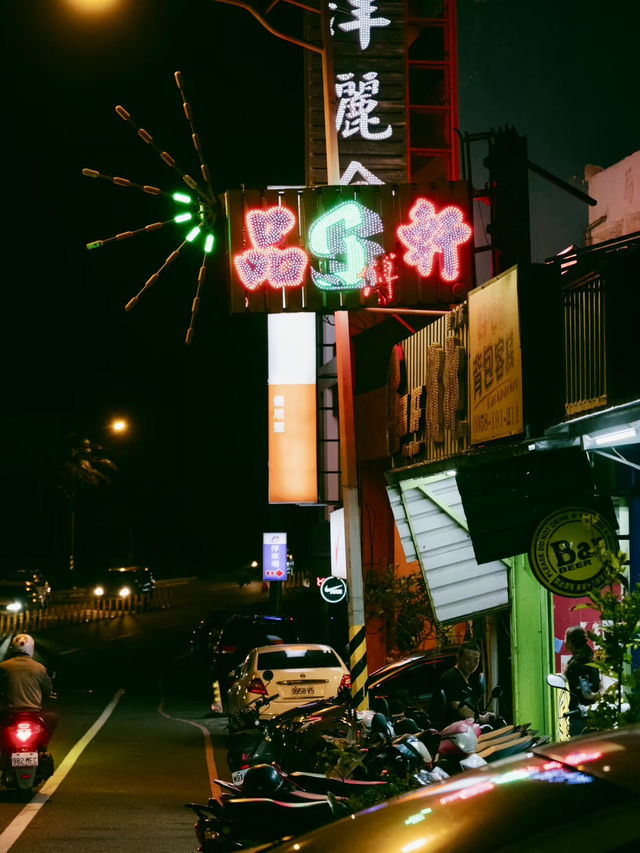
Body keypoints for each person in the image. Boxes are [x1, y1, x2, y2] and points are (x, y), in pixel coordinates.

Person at [0, 634, 57, 736]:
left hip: (9, 714)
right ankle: (43, 747)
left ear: (12, 648)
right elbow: (48, 689)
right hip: (33, 714)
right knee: (53, 717)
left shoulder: (3, 667)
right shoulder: (39, 668)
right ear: (32, 649)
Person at [433, 641, 496, 729]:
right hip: (452, 732)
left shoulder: (465, 678)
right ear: (458, 657)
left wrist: (482, 715)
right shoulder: (451, 678)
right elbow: (458, 706)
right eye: (468, 659)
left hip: (464, 729)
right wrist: (480, 718)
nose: (472, 664)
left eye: (476, 660)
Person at [564, 625, 601, 736]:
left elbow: (586, 693)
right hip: (593, 714)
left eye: (566, 638)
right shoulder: (590, 660)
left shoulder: (576, 665)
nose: (564, 642)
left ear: (571, 642)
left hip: (579, 716)